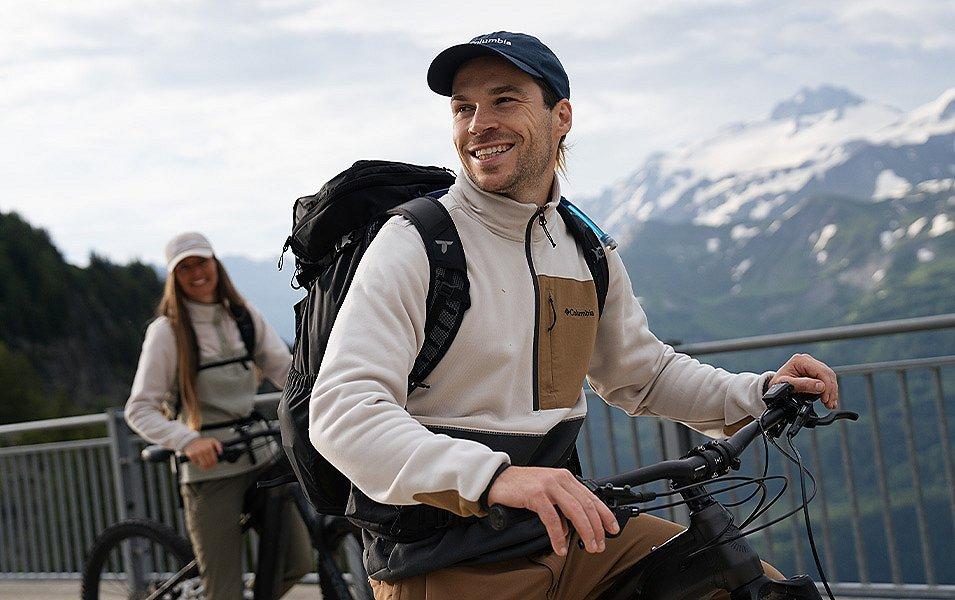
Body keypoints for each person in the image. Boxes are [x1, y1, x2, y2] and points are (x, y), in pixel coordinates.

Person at [309, 32, 841, 599]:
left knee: (742, 587)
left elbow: (642, 373)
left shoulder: (583, 246)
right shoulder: (417, 240)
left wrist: (760, 392)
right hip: (446, 556)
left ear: (560, 116)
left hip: (570, 533)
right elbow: (344, 412)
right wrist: (493, 477)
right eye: (464, 107)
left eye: (505, 100)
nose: (478, 123)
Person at [125, 232, 312, 599]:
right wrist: (188, 440)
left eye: (202, 262)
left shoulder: (242, 316)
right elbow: (139, 408)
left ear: (216, 265)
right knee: (223, 591)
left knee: (297, 562)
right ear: (174, 278)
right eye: (185, 267)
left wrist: (323, 401)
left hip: (259, 458)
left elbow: (286, 373)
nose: (196, 272)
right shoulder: (167, 332)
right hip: (210, 471)